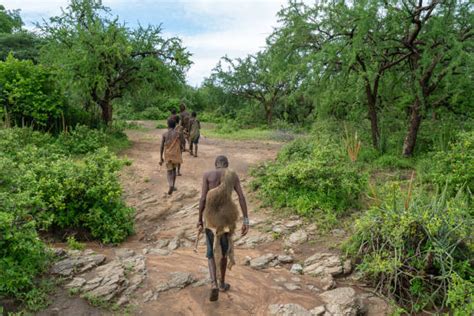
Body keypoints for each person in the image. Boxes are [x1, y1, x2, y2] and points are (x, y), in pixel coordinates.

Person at [197, 155, 249, 301]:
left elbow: (202, 199)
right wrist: (246, 220)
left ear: (216, 165)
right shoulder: (232, 175)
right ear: (227, 165)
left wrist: (199, 220)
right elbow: (241, 197)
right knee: (224, 251)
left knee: (210, 252)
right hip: (226, 219)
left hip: (211, 220)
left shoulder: (207, 175)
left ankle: (213, 283)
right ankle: (222, 283)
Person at [160, 119, 184, 195]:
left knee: (169, 171)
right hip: (176, 154)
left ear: (168, 125)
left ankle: (170, 184)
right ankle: (173, 186)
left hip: (168, 154)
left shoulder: (164, 134)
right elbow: (182, 143)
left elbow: (161, 146)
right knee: (174, 170)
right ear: (175, 125)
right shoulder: (178, 134)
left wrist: (161, 157)